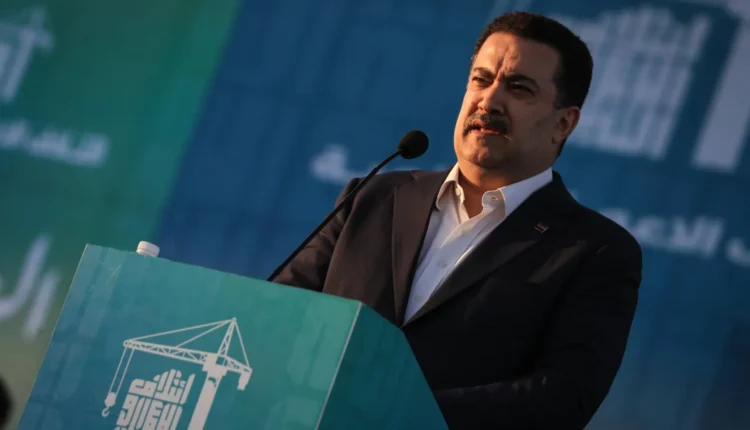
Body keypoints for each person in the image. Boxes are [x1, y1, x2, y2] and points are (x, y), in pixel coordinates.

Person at [272, 11, 642, 430]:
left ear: (563, 123)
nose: (489, 101)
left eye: (519, 88)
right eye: (481, 80)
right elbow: (274, 315)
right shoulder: (374, 196)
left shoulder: (593, 250)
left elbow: (562, 398)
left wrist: (398, 411)